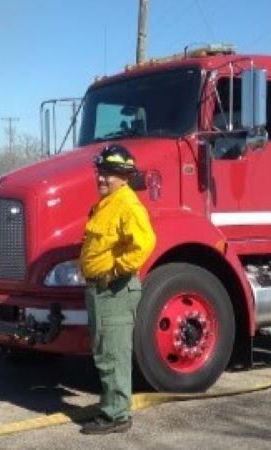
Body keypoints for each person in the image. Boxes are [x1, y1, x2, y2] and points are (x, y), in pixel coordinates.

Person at [79, 144, 156, 435]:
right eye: (100, 172)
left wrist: (114, 270)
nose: (102, 178)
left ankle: (116, 416)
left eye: (109, 173)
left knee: (113, 354)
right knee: (104, 351)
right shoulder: (108, 202)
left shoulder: (126, 203)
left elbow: (145, 243)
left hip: (115, 289)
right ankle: (113, 408)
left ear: (124, 176)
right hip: (102, 290)